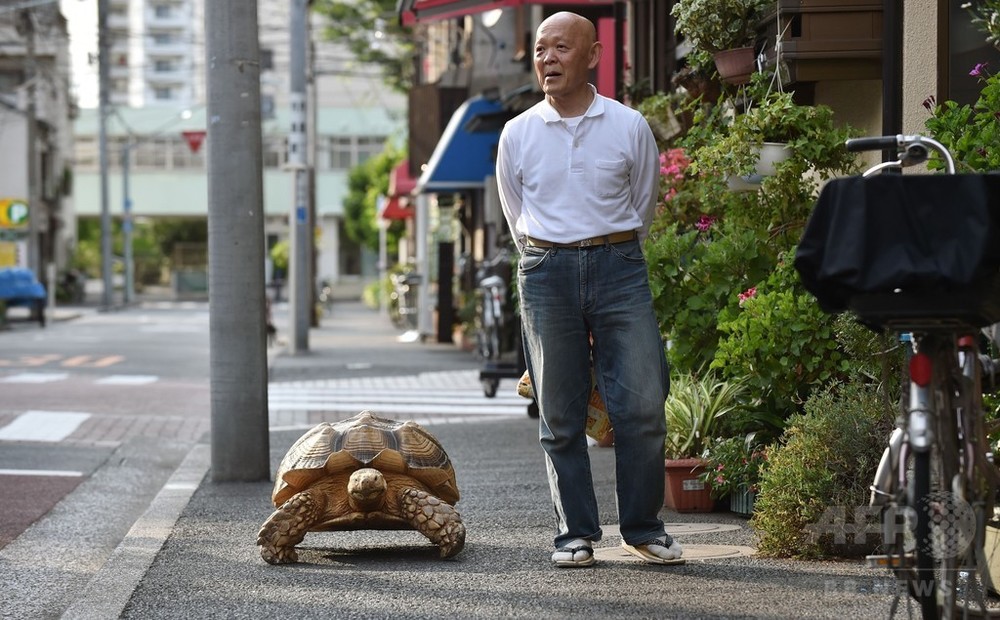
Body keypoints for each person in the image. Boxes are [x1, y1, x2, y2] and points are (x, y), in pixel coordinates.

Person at [495, 11, 683, 568]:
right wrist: (548, 253)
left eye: (560, 48)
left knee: (643, 403)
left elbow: (642, 204)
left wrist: (609, 246)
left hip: (619, 264)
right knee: (558, 409)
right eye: (539, 50)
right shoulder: (518, 132)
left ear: (593, 55)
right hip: (546, 270)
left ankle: (644, 528)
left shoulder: (628, 126)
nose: (547, 59)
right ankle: (574, 533)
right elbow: (516, 212)